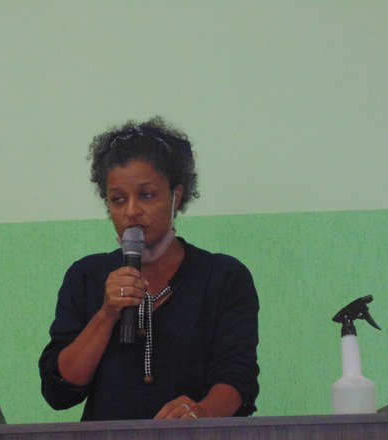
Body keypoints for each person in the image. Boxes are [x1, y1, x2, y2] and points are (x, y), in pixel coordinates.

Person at [39, 117, 259, 421]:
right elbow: (58, 391)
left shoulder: (223, 277)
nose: (131, 211)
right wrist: (106, 314)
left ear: (176, 196)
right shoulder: (86, 276)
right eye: (118, 199)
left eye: (147, 195)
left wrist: (202, 413)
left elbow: (237, 376)